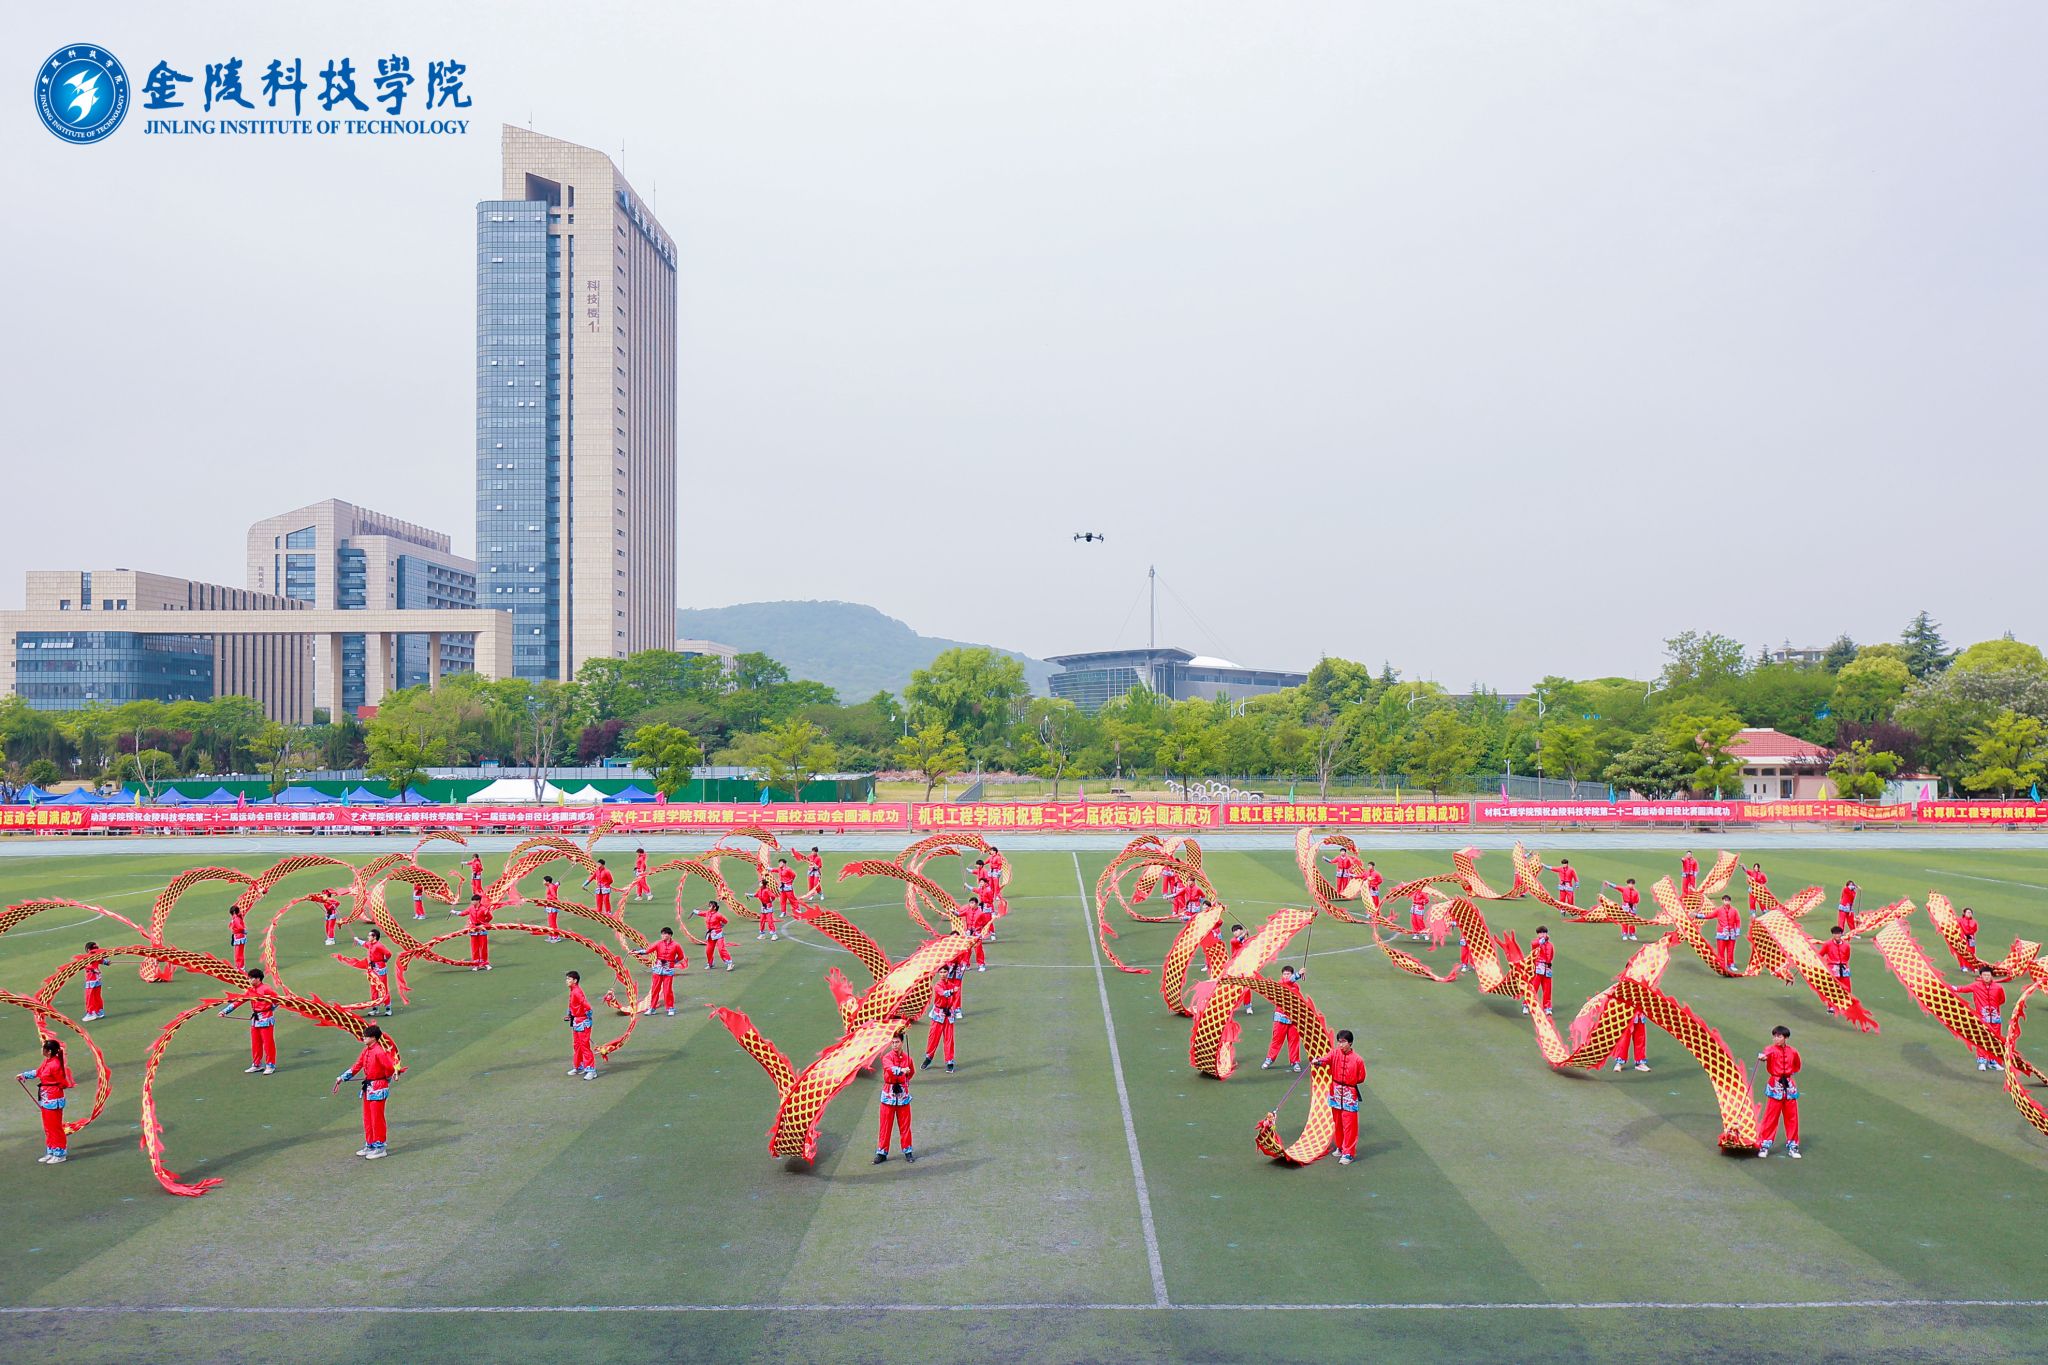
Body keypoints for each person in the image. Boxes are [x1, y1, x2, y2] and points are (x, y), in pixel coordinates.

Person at [337, 1025, 398, 1159]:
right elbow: (357, 1065)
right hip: (369, 1088)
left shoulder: (379, 1052)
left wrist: (386, 1078)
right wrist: (343, 1077)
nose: (363, 1038)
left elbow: (389, 1068)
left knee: (377, 1118)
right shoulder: (366, 1051)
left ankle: (380, 1147)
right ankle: (370, 1144)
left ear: (373, 1038)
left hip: (378, 1087)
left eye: (366, 1036)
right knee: (368, 1118)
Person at [1317, 1030, 1367, 1166]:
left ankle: (1348, 1153)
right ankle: (1340, 1146)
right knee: (1337, 1121)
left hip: (1349, 1093)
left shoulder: (1358, 1060)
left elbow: (1361, 1077)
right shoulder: (1334, 1053)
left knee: (1350, 1125)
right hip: (1335, 1091)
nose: (1340, 1045)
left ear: (1350, 1043)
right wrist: (1318, 1061)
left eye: (1343, 1042)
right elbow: (1325, 1060)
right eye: (1339, 1042)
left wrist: (1349, 1082)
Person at [22, 1038, 75, 1164]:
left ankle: (60, 1153)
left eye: (43, 1048)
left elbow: (63, 1083)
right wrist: (24, 1075)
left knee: (55, 1127)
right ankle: (51, 1151)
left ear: (49, 1051)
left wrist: (52, 1087)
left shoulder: (55, 1065)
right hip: (46, 1097)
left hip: (53, 1098)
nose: (42, 1050)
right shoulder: (47, 1061)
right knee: (48, 1127)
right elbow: (39, 1072)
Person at [1755, 1025, 1802, 1159]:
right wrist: (1763, 1058)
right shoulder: (1770, 1049)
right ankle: (1764, 1145)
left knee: (1792, 1117)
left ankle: (1793, 1146)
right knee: (1771, 1116)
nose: (1776, 1039)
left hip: (1789, 1086)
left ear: (1785, 1038)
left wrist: (1787, 1075)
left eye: (1779, 1036)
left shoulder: (1793, 1052)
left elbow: (1797, 1066)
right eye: (1774, 1036)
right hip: (1775, 1086)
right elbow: (1766, 1055)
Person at [874, 1038, 916, 1163]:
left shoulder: (908, 1059)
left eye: (897, 1042)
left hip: (902, 1095)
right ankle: (882, 1152)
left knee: (905, 1125)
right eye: (892, 1042)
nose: (894, 1045)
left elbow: (911, 1073)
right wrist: (902, 1070)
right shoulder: (886, 1057)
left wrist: (905, 1077)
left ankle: (908, 1151)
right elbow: (889, 1068)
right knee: (885, 1125)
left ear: (902, 1043)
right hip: (889, 1094)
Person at [1957, 967, 2008, 1071]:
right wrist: (1948, 987)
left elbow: (2002, 1000)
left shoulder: (1998, 987)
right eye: (1984, 975)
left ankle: (1993, 1062)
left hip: (1995, 1020)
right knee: (1982, 1039)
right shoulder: (1976, 986)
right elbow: (1962, 989)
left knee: (1995, 1041)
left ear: (1992, 976)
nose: (1986, 977)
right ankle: (1982, 1062)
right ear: (1981, 976)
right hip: (1982, 1019)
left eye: (1988, 975)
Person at [1262, 965, 1307, 1071]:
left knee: (1294, 1041)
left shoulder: (1296, 987)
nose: (1286, 976)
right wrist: (1299, 974)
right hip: (1281, 1018)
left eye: (1288, 974)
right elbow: (1288, 982)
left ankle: (1295, 1062)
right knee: (1277, 1040)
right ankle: (1269, 1059)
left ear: (1291, 974)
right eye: (1284, 974)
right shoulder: (1281, 983)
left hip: (1294, 1019)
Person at [236, 966, 280, 1075]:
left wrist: (270, 1009)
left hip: (266, 1019)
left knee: (268, 1043)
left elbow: (278, 999)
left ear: (258, 979)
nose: (249, 980)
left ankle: (270, 1065)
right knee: (256, 1043)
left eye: (251, 978)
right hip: (255, 1020)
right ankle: (256, 1064)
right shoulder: (250, 990)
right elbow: (239, 1001)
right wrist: (225, 1011)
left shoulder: (266, 989)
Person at [348, 927, 394, 1016]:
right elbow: (364, 943)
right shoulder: (370, 944)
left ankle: (388, 1008)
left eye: (369, 935)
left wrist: (385, 960)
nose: (368, 937)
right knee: (373, 988)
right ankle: (375, 1008)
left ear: (374, 937)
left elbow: (388, 953)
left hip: (380, 969)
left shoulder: (379, 945)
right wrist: (357, 940)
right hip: (372, 968)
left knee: (383, 988)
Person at [923, 971, 962, 1072]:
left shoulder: (952, 985)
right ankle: (928, 1057)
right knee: (933, 1037)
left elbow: (954, 999)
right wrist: (953, 991)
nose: (943, 974)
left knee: (949, 1038)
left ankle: (949, 1061)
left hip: (948, 1014)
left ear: (948, 972)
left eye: (945, 972)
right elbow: (943, 993)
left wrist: (952, 1008)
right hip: (938, 1014)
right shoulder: (938, 986)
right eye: (941, 972)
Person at [643, 926, 686, 1015]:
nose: (663, 936)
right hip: (658, 969)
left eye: (665, 934)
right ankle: (652, 1008)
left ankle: (670, 1008)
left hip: (668, 970)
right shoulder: (658, 943)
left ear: (669, 935)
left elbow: (681, 956)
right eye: (662, 934)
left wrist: (672, 962)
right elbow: (648, 951)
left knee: (667, 990)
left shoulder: (676, 945)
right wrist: (637, 952)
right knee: (655, 989)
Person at [565, 970, 598, 1079]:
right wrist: (570, 1014)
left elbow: (586, 1005)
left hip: (582, 1021)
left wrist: (587, 1015)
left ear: (575, 980)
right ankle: (579, 1066)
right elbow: (572, 1004)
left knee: (584, 1046)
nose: (567, 981)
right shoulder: (572, 991)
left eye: (569, 979)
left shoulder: (577, 991)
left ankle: (591, 1070)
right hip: (576, 1020)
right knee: (577, 1045)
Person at [1696, 895, 1741, 972]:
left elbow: (1738, 921)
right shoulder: (1719, 910)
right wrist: (1698, 916)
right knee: (1721, 951)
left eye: (1728, 900)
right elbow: (1710, 916)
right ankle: (1722, 965)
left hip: (1732, 934)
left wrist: (1737, 931)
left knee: (1730, 951)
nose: (1726, 902)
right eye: (1725, 900)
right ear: (1723, 901)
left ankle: (1731, 965)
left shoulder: (1734, 911)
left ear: (1730, 901)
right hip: (1722, 934)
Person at [1819, 926, 1853, 1016]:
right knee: (1832, 987)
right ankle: (1831, 1006)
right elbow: (1820, 954)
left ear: (1841, 934)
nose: (1837, 935)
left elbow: (1847, 957)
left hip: (1844, 967)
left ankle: (1845, 1004)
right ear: (1833, 934)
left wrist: (1844, 964)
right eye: (1835, 934)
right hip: (1832, 967)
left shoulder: (1846, 945)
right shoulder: (1827, 944)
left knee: (1847, 987)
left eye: (1838, 933)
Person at [692, 899, 733, 970]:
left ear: (714, 907)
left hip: (718, 934)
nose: (709, 907)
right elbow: (700, 913)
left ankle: (729, 963)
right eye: (709, 905)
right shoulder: (707, 913)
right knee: (708, 950)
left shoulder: (718, 915)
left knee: (721, 949)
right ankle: (710, 964)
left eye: (710, 906)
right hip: (710, 935)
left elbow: (725, 921)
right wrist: (694, 911)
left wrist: (721, 926)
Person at [1610, 1002, 1649, 1072]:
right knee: (1624, 1040)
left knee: (1640, 1039)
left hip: (1639, 1012)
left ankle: (1640, 1063)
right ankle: (1619, 1062)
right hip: (1626, 1013)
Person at [1524, 927, 1554, 1016]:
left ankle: (1547, 1007)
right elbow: (1534, 945)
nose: (1543, 934)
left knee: (1547, 989)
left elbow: (1551, 955)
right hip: (1538, 967)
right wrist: (1542, 941)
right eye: (1540, 933)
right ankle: (1527, 1005)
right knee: (1534, 987)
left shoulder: (1550, 945)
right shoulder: (1536, 943)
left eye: (1544, 933)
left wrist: (1548, 964)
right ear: (1538, 934)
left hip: (1547, 968)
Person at [964, 895, 993, 971]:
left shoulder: (981, 913)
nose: (971, 904)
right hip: (969, 934)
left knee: (978, 950)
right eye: (970, 903)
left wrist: (982, 933)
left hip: (977, 934)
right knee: (967, 949)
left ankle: (981, 965)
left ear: (976, 904)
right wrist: (954, 912)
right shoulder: (968, 911)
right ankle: (966, 964)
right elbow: (960, 914)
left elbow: (985, 924)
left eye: (972, 903)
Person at [465, 894, 494, 971]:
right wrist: (455, 912)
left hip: (482, 929)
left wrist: (485, 923)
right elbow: (463, 913)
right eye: (472, 900)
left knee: (483, 946)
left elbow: (490, 917)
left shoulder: (484, 909)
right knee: (474, 947)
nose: (472, 902)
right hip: (473, 929)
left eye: (473, 900)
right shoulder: (471, 908)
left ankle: (485, 963)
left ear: (478, 901)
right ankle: (476, 964)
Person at [81, 941, 106, 1022]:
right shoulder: (97, 955)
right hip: (97, 979)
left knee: (90, 997)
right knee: (97, 996)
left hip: (91, 979)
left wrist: (93, 969)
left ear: (88, 949)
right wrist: (106, 962)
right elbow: (102, 961)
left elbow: (89, 966)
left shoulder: (88, 957)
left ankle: (91, 1013)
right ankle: (99, 1011)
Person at [540, 875, 563, 943]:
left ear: (547, 882)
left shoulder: (551, 887)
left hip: (552, 906)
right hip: (550, 906)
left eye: (544, 881)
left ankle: (556, 937)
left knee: (552, 923)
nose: (543, 882)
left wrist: (548, 900)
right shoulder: (551, 885)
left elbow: (554, 896)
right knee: (550, 922)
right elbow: (556, 886)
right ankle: (551, 936)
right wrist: (557, 884)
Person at [228, 905, 248, 972]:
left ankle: (240, 967)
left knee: (238, 953)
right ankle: (240, 967)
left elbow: (240, 927)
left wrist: (235, 930)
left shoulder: (236, 919)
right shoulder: (236, 918)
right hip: (239, 936)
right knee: (239, 953)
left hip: (239, 936)